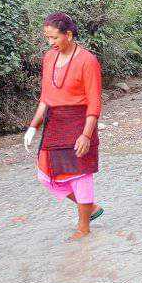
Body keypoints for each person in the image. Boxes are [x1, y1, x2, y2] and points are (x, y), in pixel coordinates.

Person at [23, 12, 104, 239]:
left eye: (54, 38)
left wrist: (86, 135)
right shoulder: (49, 57)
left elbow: (95, 101)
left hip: (79, 121)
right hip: (55, 122)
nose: (51, 43)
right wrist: (33, 127)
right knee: (46, 174)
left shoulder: (87, 60)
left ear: (68, 34)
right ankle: (91, 208)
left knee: (81, 175)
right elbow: (45, 98)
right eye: (47, 38)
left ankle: (83, 228)